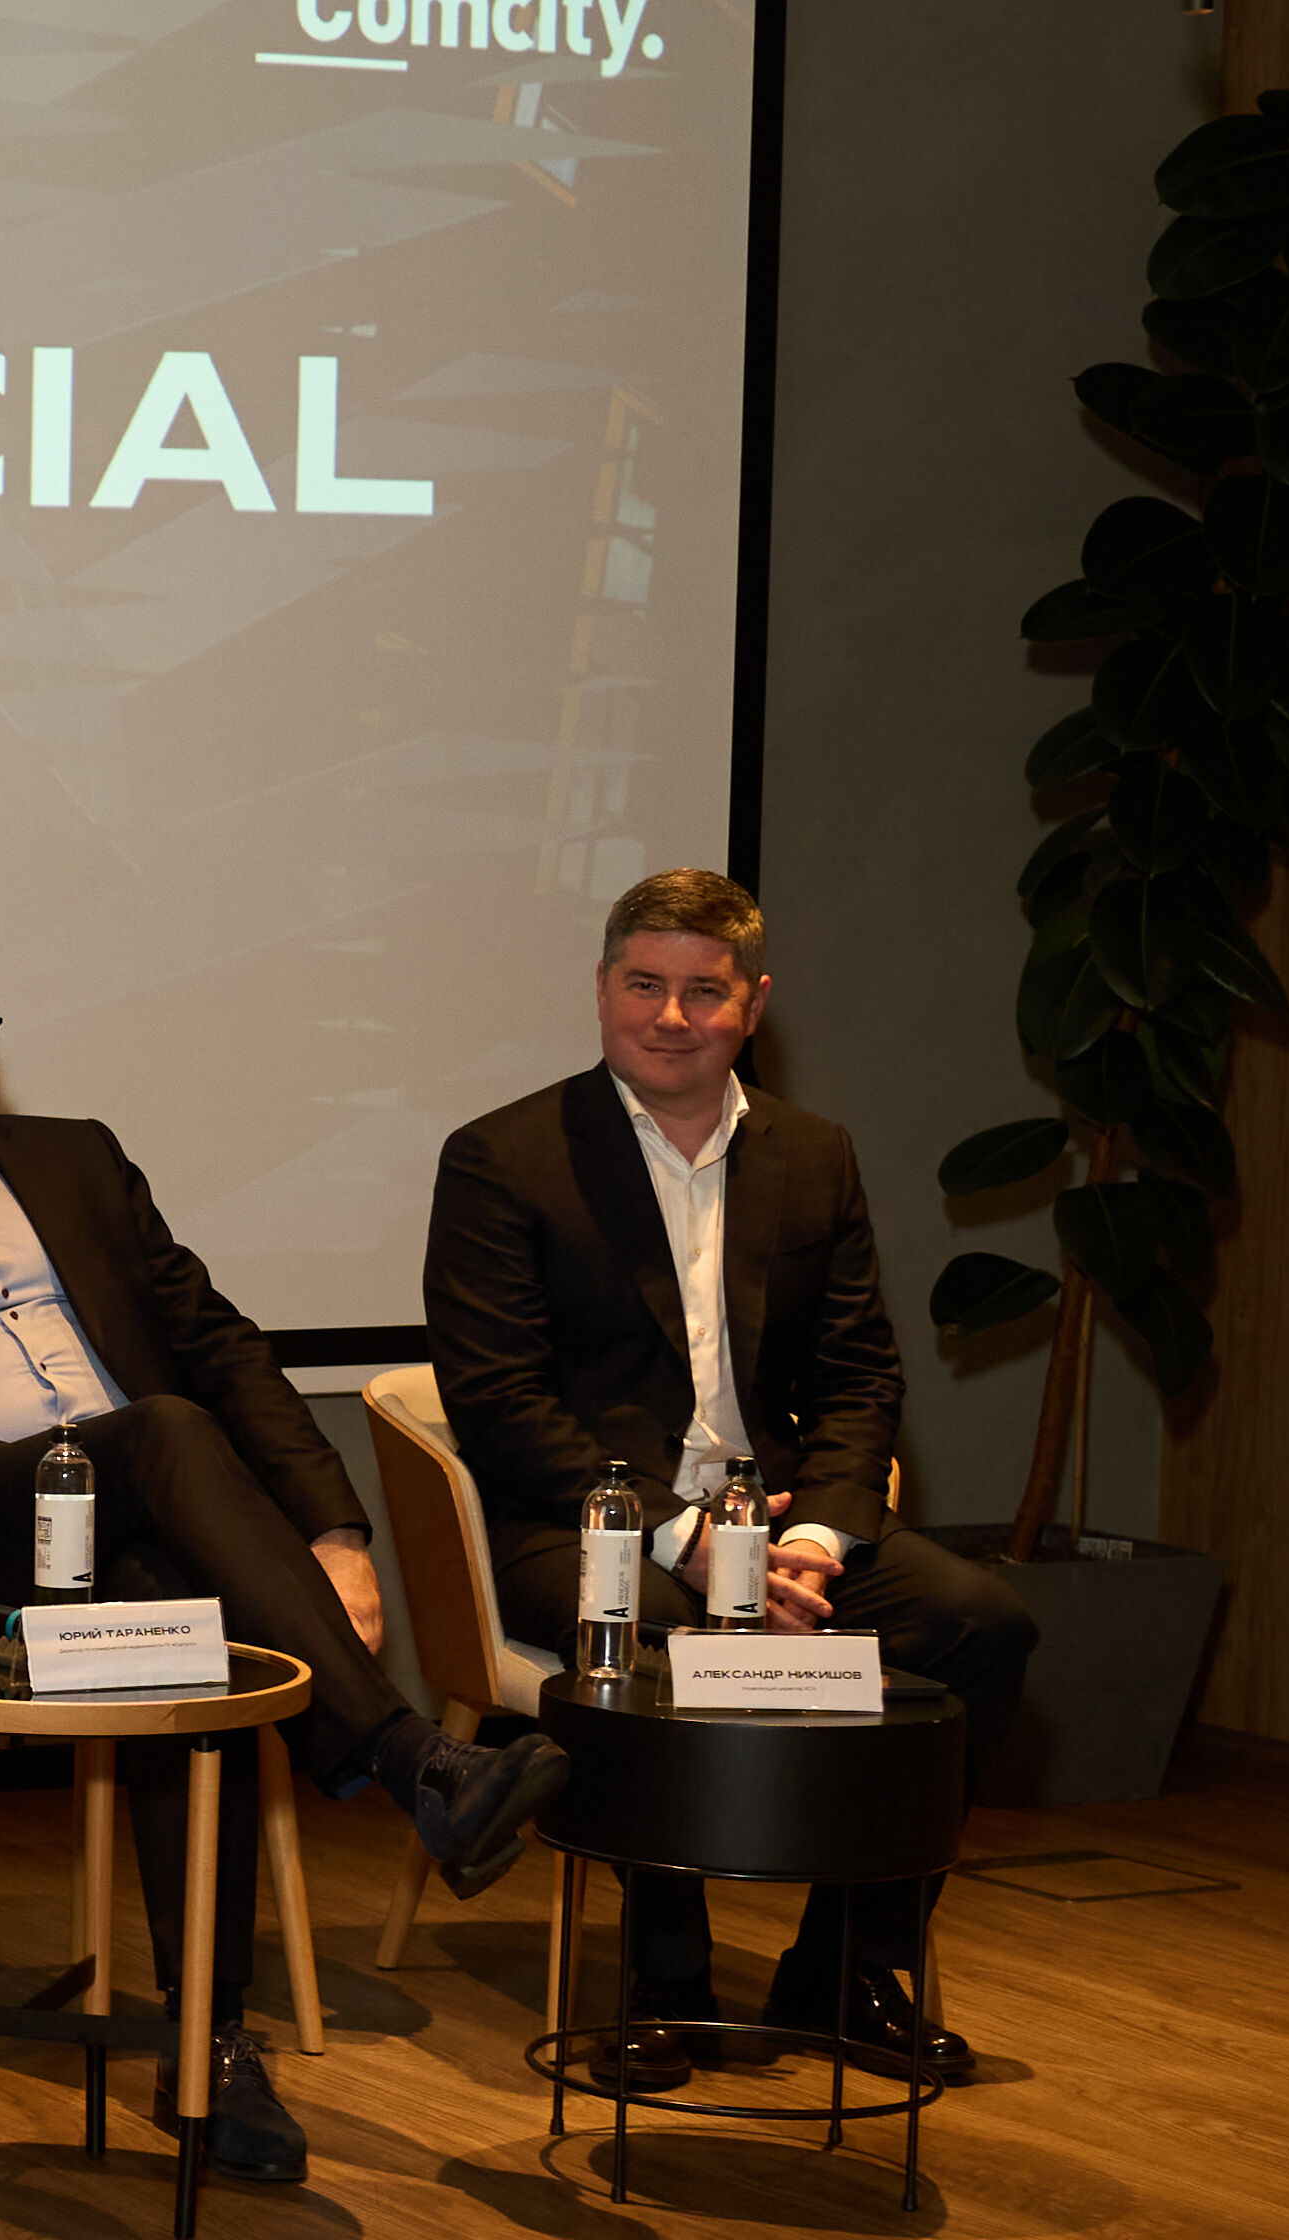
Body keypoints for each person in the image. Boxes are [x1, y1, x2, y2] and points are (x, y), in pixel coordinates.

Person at [0, 926, 568, 2181]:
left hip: (145, 1523)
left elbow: (216, 1341)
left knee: (170, 1607)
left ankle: (211, 2043)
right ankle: (403, 1757)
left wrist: (334, 1529)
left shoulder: (76, 1158)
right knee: (158, 1433)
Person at [419, 866, 1026, 2084]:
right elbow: (502, 1405)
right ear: (601, 990)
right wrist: (687, 1541)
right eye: (644, 984)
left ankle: (845, 1968)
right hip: (590, 1528)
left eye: (705, 991)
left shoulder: (814, 1153)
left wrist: (818, 1544)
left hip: (786, 1520)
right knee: (659, 1635)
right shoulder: (505, 1157)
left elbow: (861, 1376)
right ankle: (667, 1981)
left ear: (754, 1003)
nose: (671, 1015)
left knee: (980, 1622)